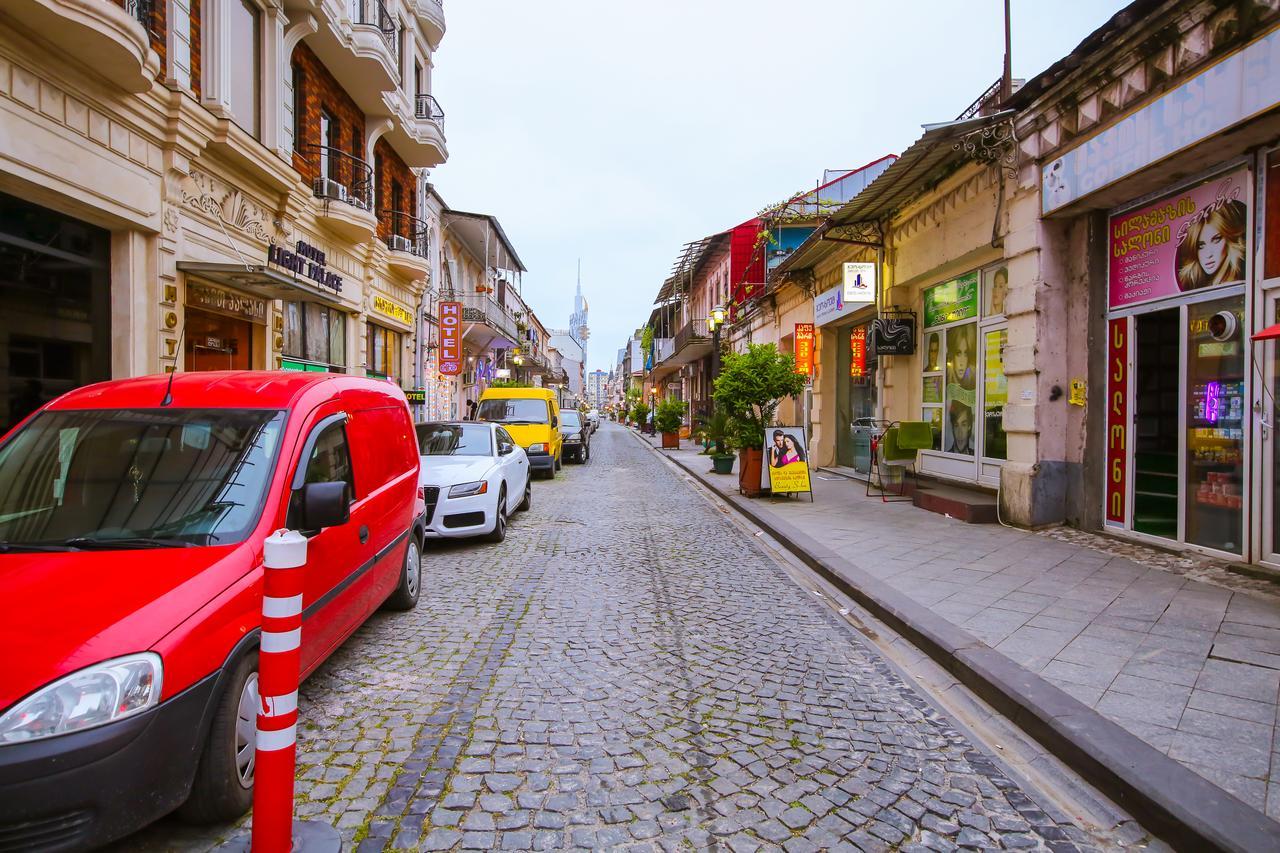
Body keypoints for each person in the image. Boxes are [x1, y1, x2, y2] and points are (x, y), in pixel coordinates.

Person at [1175, 198, 1247, 291]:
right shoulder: (1191, 283)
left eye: (1216, 240)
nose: (1208, 254)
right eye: (1201, 246)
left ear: (1229, 238)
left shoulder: (1237, 282)